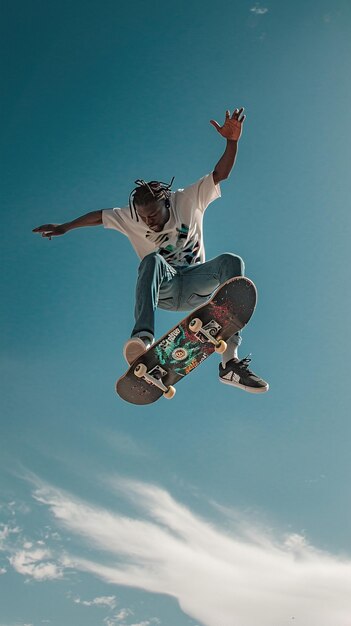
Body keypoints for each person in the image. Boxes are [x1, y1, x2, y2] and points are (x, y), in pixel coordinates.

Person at [33, 108, 269, 393]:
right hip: (166, 291)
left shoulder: (187, 199)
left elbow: (221, 174)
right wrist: (65, 227)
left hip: (198, 285)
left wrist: (232, 142)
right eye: (145, 219)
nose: (150, 223)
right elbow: (99, 216)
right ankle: (142, 339)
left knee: (232, 261)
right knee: (152, 260)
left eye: (155, 216)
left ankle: (229, 362)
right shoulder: (132, 216)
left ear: (168, 203)